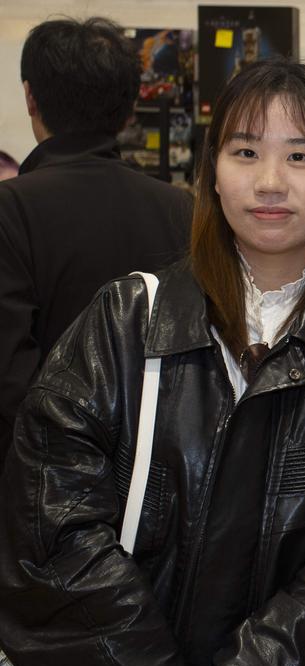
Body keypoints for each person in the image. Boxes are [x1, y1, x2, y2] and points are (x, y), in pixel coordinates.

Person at [0, 58, 305, 666]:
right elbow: (50, 522)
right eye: (245, 151)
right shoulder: (125, 319)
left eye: (302, 156)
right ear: (214, 170)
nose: (270, 182)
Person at [0, 17, 191, 466]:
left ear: (30, 96)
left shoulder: (11, 208)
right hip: (149, 471)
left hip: (34, 476)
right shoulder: (181, 210)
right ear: (129, 111)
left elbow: (9, 374)